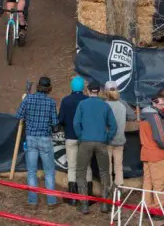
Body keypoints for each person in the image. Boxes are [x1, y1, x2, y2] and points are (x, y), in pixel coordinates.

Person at [14, 76, 59, 209]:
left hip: (31, 138)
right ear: (49, 88)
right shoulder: (51, 102)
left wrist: (24, 101)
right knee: (49, 171)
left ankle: (32, 201)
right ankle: (51, 201)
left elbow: (18, 115)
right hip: (45, 138)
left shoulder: (28, 99)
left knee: (32, 171)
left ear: (38, 86)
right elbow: (55, 125)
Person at [74, 80, 117, 214]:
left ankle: (84, 204)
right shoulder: (105, 105)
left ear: (87, 90)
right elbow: (113, 126)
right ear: (99, 91)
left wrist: (81, 136)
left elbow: (76, 123)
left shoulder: (82, 104)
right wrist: (106, 137)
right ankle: (104, 205)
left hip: (85, 142)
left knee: (80, 172)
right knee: (104, 172)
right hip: (101, 142)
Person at [58, 76, 90, 205]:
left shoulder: (66, 100)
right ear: (83, 87)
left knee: (72, 166)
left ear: (72, 87)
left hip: (70, 136)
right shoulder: (88, 100)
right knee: (86, 166)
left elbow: (60, 119)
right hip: (85, 138)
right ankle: (87, 196)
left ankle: (72, 197)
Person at [139, 94, 164, 209]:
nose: (163, 107)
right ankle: (157, 211)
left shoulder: (144, 115)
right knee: (159, 184)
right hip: (157, 155)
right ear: (154, 103)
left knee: (147, 183)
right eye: (161, 104)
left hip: (147, 154)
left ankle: (146, 207)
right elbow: (160, 138)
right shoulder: (155, 116)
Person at [104, 80, 136, 192]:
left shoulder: (104, 104)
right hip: (120, 140)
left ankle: (107, 189)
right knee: (118, 166)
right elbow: (132, 116)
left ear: (106, 91)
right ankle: (118, 188)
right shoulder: (123, 103)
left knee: (107, 166)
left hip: (106, 140)